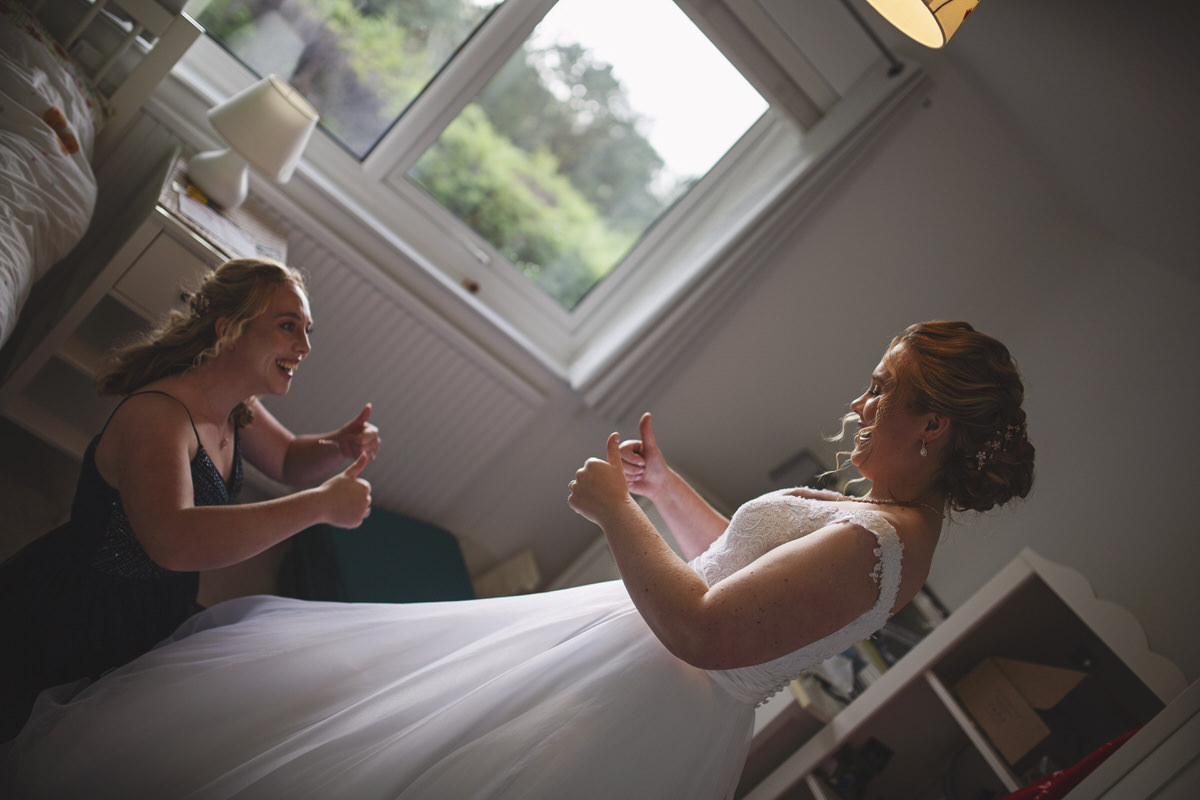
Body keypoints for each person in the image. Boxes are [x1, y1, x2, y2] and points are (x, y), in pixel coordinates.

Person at [0, 321, 1033, 799]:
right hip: (620, 661)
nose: (860, 404)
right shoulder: (884, 524)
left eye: (882, 387)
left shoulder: (882, 543)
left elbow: (709, 628)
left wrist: (609, 515)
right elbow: (738, 569)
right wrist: (661, 490)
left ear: (932, 422)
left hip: (645, 698)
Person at [0, 258, 380, 740]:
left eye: (306, 330)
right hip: (80, 615)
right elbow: (173, 541)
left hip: (156, 606)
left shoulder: (236, 405)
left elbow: (285, 459)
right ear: (230, 329)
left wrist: (337, 445)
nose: (304, 346)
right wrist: (320, 505)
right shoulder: (160, 418)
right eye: (288, 326)